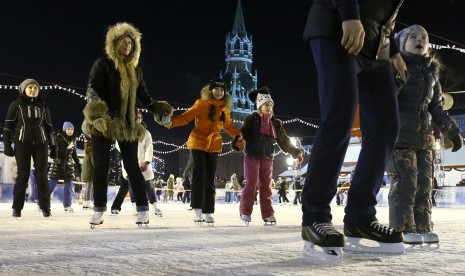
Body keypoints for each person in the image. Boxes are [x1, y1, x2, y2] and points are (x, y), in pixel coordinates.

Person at [301, 1, 407, 259]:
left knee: (385, 125)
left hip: (376, 43)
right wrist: (349, 15)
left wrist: (392, 49)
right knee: (340, 115)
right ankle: (315, 216)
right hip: (338, 24)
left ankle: (361, 216)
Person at [82, 22, 173, 227]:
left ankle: (142, 209)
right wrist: (96, 115)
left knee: (132, 166)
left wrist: (157, 108)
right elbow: (92, 89)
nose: (128, 46)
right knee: (101, 166)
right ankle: (98, 209)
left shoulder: (135, 71)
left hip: (127, 123)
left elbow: (145, 97)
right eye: (124, 41)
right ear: (115, 43)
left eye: (131, 43)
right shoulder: (103, 64)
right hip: (103, 121)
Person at [387, 25, 464, 245]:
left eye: (424, 38)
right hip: (399, 137)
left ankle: (423, 226)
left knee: (424, 184)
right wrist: (397, 82)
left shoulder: (431, 73)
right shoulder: (394, 66)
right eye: (413, 37)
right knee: (406, 182)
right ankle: (402, 228)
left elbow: (437, 108)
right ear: (402, 43)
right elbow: (384, 99)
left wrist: (453, 131)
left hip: (424, 139)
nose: (420, 40)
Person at [163, 77, 245, 223]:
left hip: (214, 145)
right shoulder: (201, 104)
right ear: (211, 90)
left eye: (221, 90)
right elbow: (186, 117)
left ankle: (208, 211)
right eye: (216, 89)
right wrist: (171, 122)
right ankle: (197, 209)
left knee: (210, 178)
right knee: (199, 176)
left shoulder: (224, 109)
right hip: (198, 142)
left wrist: (238, 135)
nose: (219, 92)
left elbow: (228, 126)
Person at [234, 87, 303, 225]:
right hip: (252, 156)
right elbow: (241, 134)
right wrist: (238, 141)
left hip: (267, 158)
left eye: (271, 105)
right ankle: (245, 212)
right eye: (266, 105)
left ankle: (268, 214)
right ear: (260, 105)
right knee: (251, 184)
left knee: (266, 186)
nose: (269, 108)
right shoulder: (252, 119)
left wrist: (295, 151)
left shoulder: (275, 123)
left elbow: (283, 139)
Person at [3, 78, 56, 217]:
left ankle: (45, 207)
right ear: (23, 89)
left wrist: (54, 146)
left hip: (41, 145)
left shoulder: (43, 107)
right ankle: (17, 208)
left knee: (42, 176)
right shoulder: (16, 105)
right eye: (30, 87)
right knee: (23, 176)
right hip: (22, 144)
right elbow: (8, 127)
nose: (33, 90)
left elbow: (50, 129)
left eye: (35, 88)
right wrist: (7, 145)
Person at [110, 111, 163, 217]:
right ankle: (133, 206)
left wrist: (147, 162)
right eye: (135, 117)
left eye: (139, 117)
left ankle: (154, 205)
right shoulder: (125, 131)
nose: (137, 119)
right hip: (130, 163)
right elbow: (118, 145)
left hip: (143, 163)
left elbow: (149, 147)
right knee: (130, 185)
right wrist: (127, 156)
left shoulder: (146, 133)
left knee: (149, 185)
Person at [48, 122, 81, 212]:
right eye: (68, 129)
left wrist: (79, 166)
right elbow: (57, 153)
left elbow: (74, 154)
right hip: (57, 165)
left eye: (72, 129)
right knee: (51, 185)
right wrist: (68, 148)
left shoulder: (74, 140)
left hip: (69, 167)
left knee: (69, 187)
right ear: (64, 129)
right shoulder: (58, 138)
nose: (70, 131)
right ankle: (42, 203)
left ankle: (67, 205)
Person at [81, 138, 94, 209]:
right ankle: (88, 201)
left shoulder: (87, 149)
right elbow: (93, 161)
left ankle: (86, 202)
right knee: (89, 186)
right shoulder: (91, 149)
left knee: (87, 186)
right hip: (90, 171)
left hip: (86, 170)